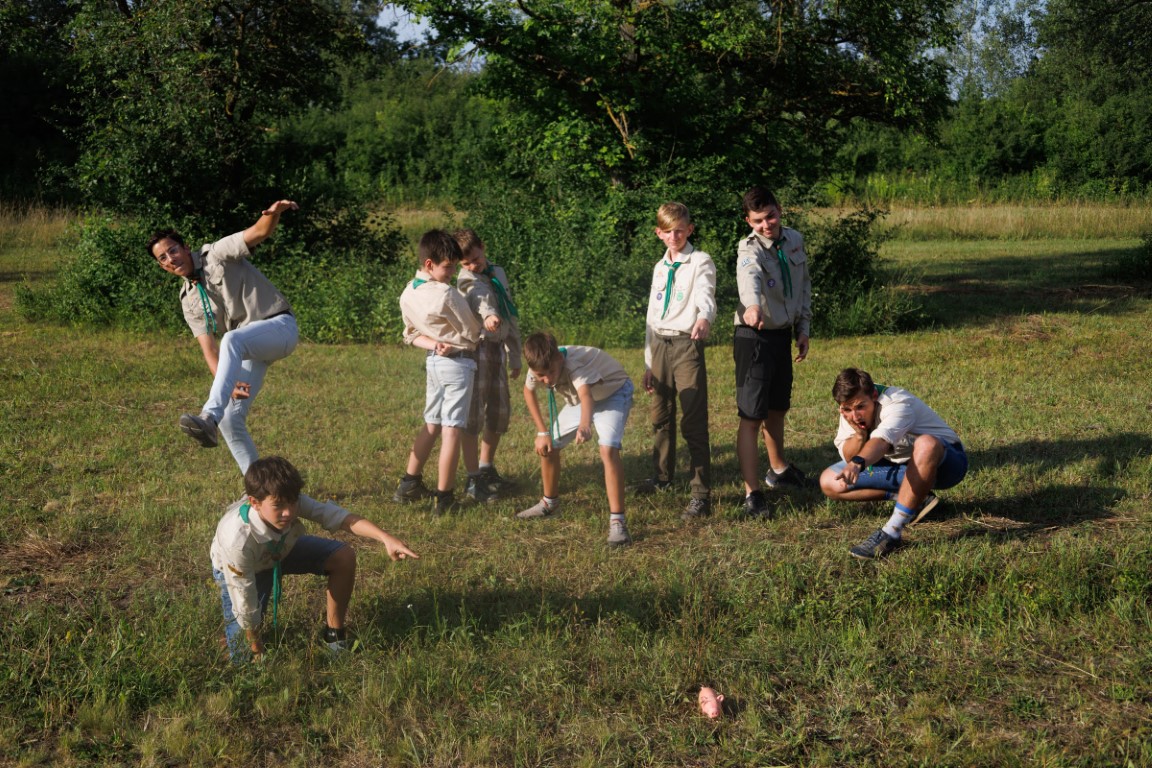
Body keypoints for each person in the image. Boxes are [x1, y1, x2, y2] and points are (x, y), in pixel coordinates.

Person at [210, 456, 418, 661]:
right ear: (254, 502)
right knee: (244, 655)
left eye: (293, 502)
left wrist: (386, 538)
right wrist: (257, 651)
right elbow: (244, 599)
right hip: (247, 569)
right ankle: (232, 640)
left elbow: (338, 517)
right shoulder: (237, 541)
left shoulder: (287, 499)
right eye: (279, 506)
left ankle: (334, 637)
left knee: (342, 556)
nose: (289, 512)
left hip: (281, 550)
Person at [148, 200, 300, 474]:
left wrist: (272, 214)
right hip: (249, 347)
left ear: (184, 248)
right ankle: (259, 489)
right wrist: (228, 386)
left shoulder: (216, 254)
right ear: (162, 267)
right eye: (163, 258)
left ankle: (209, 417)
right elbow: (209, 351)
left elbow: (258, 232)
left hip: (280, 327)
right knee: (231, 419)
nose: (171, 259)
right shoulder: (188, 300)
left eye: (173, 250)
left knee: (232, 339)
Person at [818, 368, 969, 560]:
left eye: (860, 407)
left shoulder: (897, 403)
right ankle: (915, 498)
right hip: (901, 468)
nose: (854, 416)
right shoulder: (850, 409)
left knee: (926, 444)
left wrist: (857, 463)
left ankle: (892, 532)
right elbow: (849, 455)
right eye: (846, 409)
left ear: (873, 395)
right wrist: (859, 435)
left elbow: (881, 443)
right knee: (829, 482)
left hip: (947, 466)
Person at [733, 187, 812, 518]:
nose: (766, 225)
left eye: (771, 216)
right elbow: (748, 277)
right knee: (752, 416)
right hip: (755, 335)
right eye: (758, 220)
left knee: (777, 409)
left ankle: (778, 469)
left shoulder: (794, 239)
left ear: (780, 209)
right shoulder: (748, 247)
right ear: (748, 221)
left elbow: (804, 283)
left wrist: (804, 327)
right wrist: (752, 306)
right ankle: (753, 493)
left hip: (782, 334)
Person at [635, 203, 716, 520]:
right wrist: (647, 361)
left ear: (690, 229)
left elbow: (706, 295)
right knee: (660, 417)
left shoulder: (700, 261)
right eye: (668, 231)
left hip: (686, 344)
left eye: (680, 230)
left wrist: (705, 318)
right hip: (658, 345)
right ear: (659, 233)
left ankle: (700, 493)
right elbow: (651, 316)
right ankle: (662, 477)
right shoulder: (659, 267)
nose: (674, 236)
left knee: (693, 419)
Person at [517, 331, 635, 547]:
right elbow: (528, 392)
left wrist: (584, 424)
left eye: (550, 373)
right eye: (540, 375)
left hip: (613, 393)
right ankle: (549, 503)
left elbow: (586, 396)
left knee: (608, 449)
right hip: (583, 400)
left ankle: (618, 522)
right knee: (549, 444)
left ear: (559, 360)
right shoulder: (539, 364)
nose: (546, 380)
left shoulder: (574, 365)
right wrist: (542, 432)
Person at [394, 230, 482, 514]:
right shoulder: (446, 293)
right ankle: (444, 498)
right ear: (430, 263)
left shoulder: (408, 291)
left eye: (455, 265)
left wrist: (434, 343)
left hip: (434, 361)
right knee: (452, 430)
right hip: (457, 364)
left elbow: (410, 334)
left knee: (431, 422)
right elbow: (472, 331)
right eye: (448, 266)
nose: (452, 271)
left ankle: (409, 483)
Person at [454, 228, 523, 502]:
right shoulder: (465, 280)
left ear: (483, 246)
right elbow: (480, 299)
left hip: (499, 349)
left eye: (474, 258)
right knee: (473, 415)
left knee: (498, 410)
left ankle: (486, 467)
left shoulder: (499, 272)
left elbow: (510, 313)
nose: (472, 265)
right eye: (465, 263)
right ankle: (473, 480)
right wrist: (489, 316)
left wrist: (515, 355)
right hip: (477, 350)